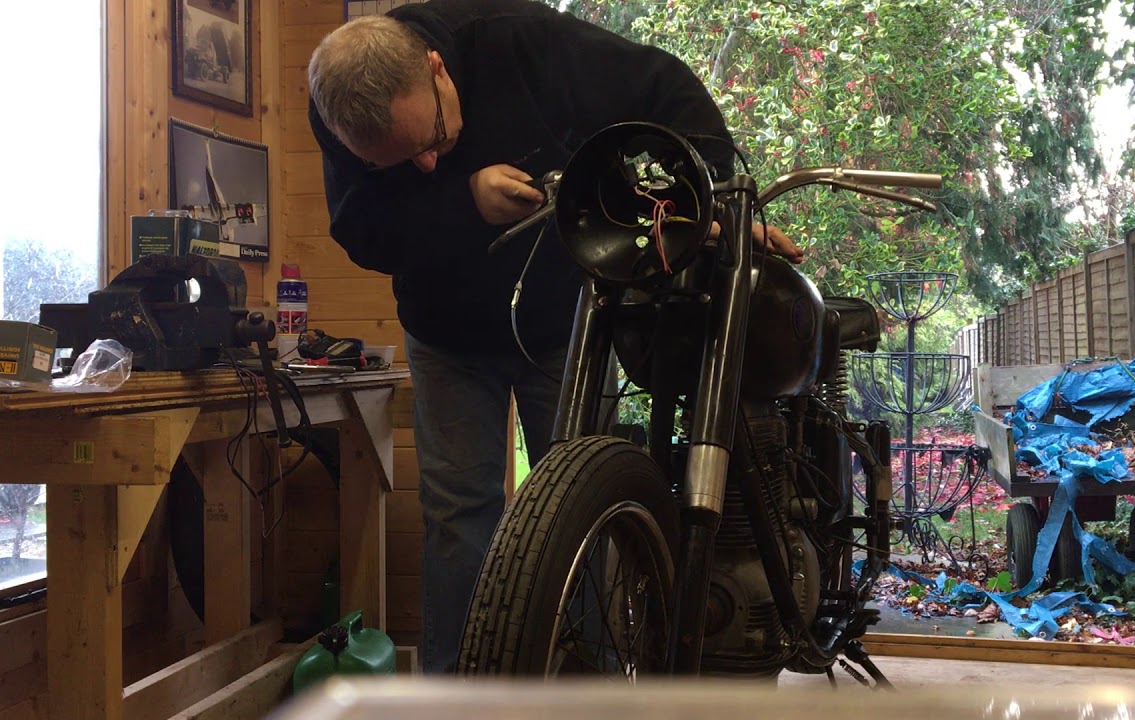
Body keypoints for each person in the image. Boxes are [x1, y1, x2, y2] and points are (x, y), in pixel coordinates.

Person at [306, 0, 802, 674]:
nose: (425, 163)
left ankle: (588, 683)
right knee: (457, 518)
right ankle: (463, 693)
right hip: (446, 333)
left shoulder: (522, 39)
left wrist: (711, 201)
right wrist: (460, 201)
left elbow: (667, 89)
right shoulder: (340, 109)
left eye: (436, 140)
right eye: (404, 162)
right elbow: (362, 232)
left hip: (564, 324)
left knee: (583, 501)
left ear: (437, 69)